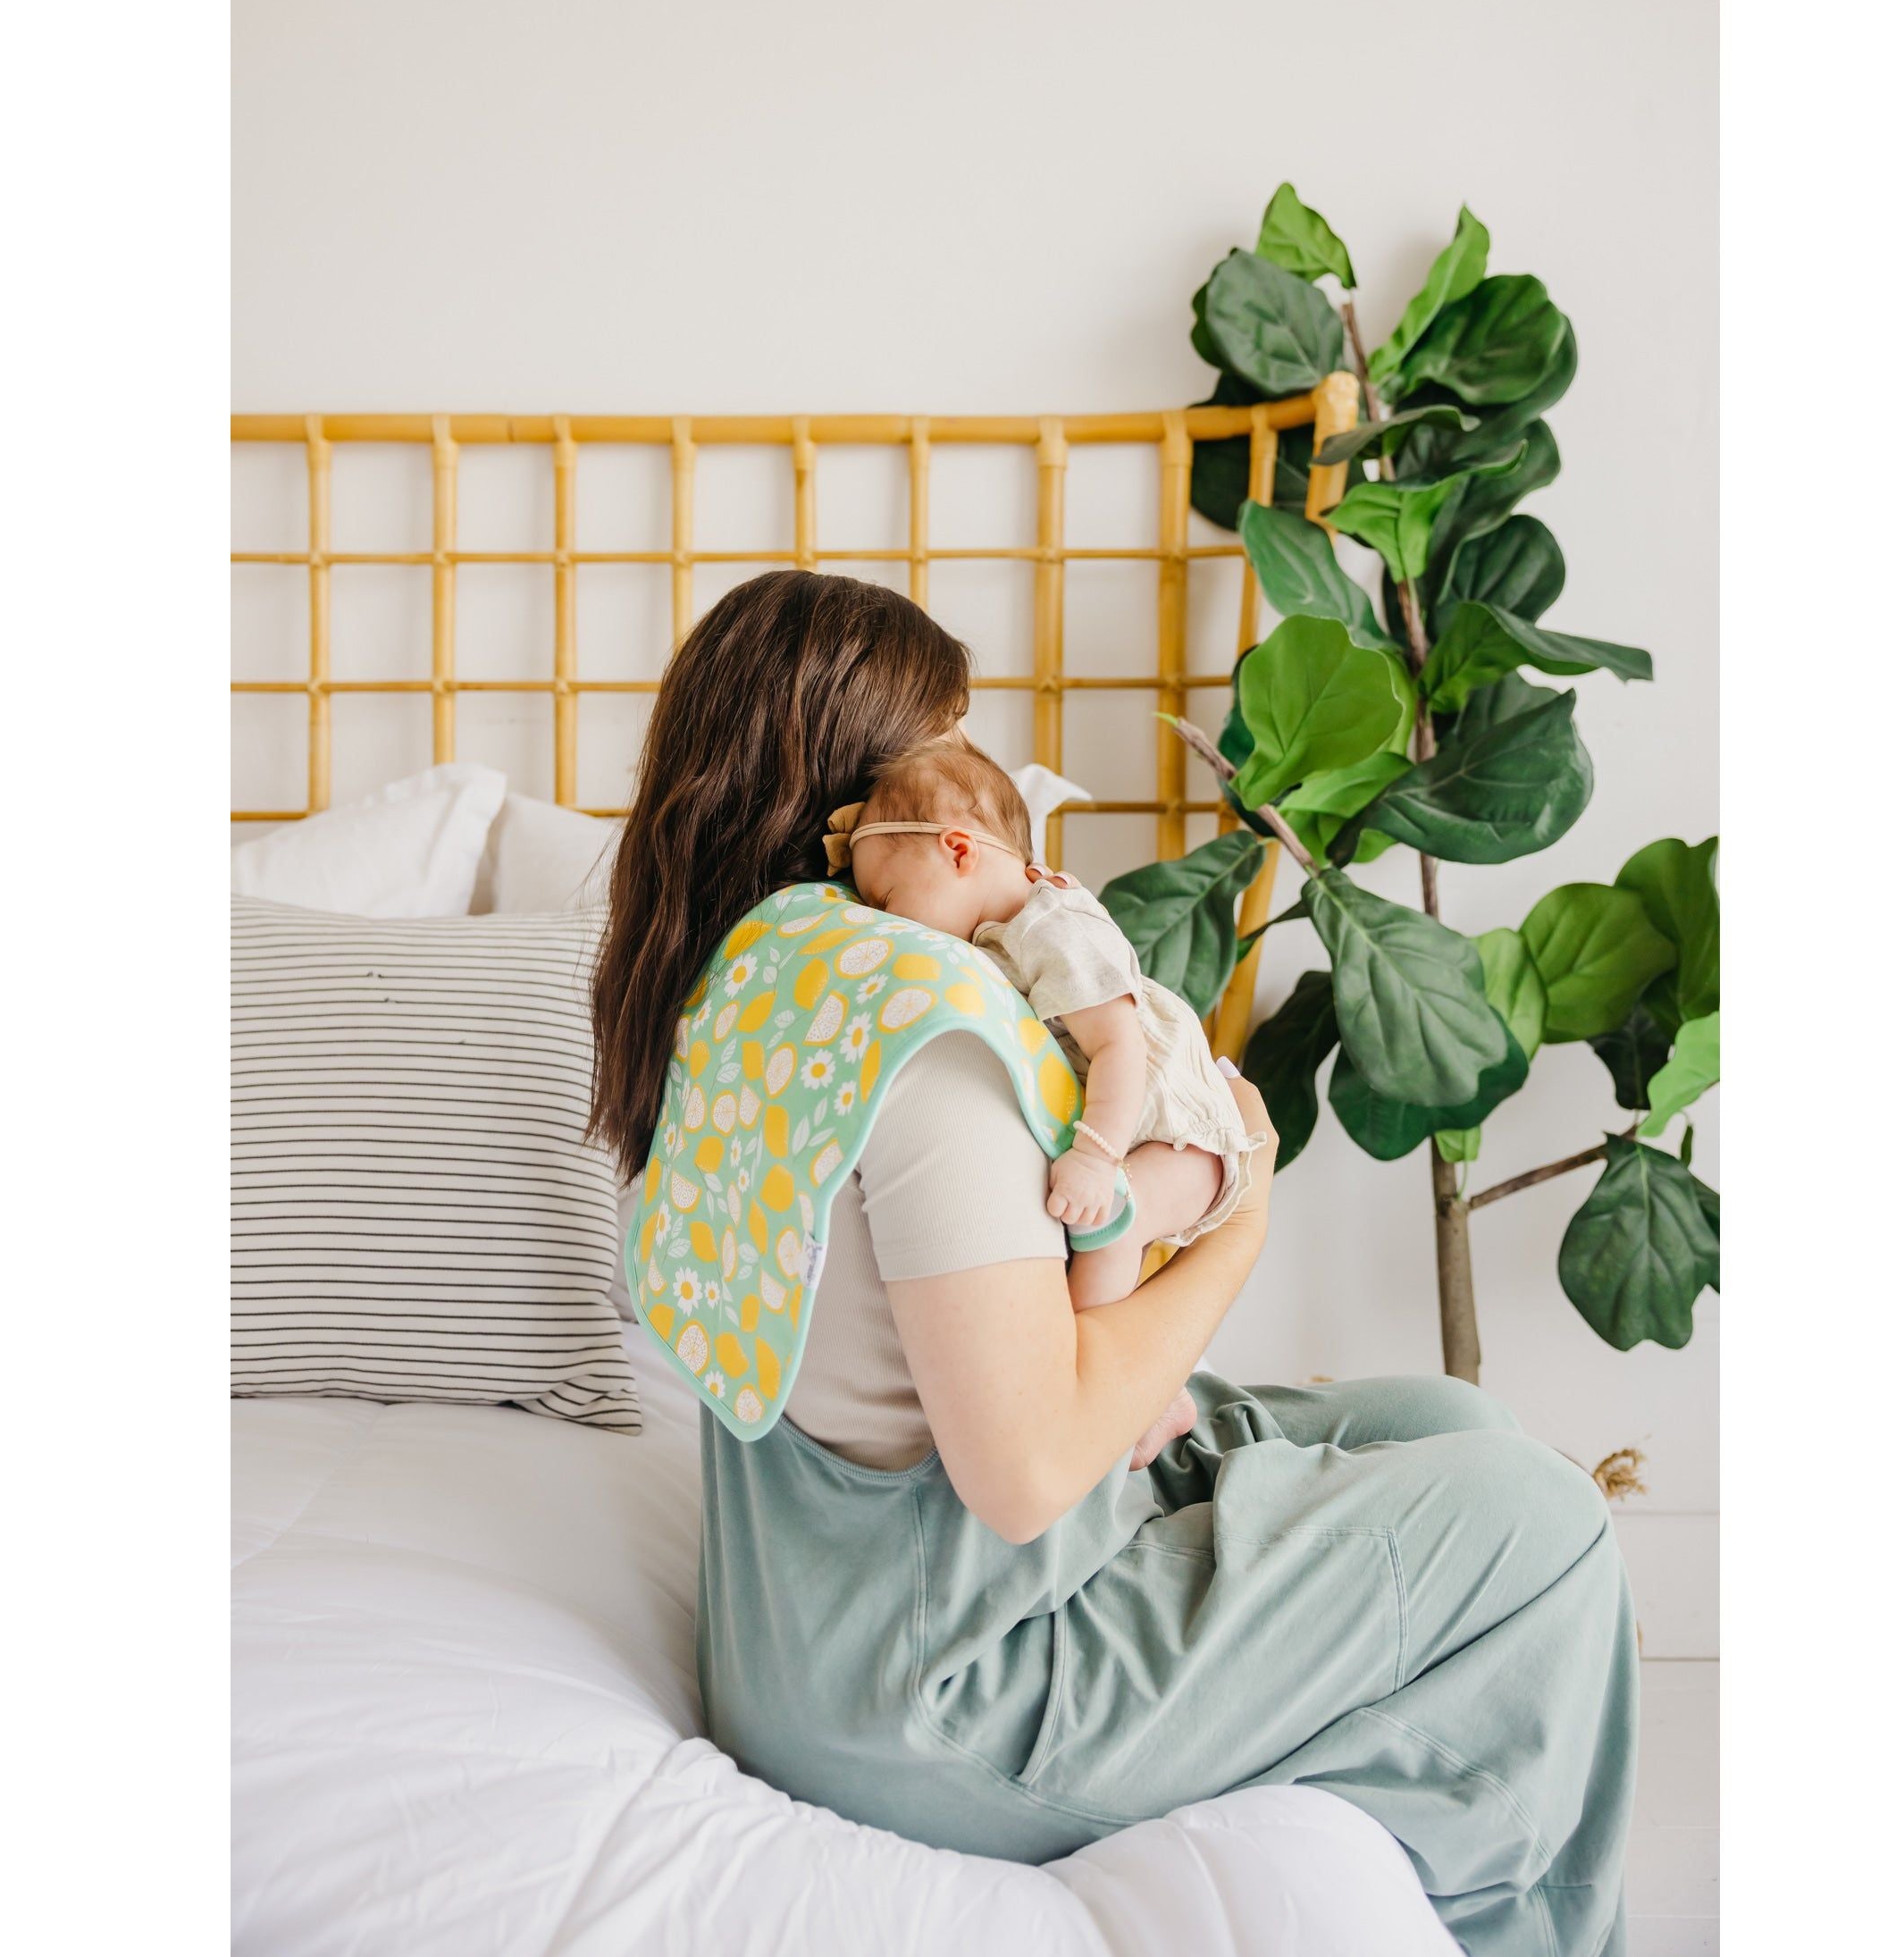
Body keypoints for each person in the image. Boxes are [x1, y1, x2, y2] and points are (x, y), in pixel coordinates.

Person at [588, 569, 1639, 1957]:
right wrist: (1242, 1216)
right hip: (943, 1688)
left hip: (806, 1632)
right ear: (874, 796)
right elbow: (1026, 1473)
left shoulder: (758, 980)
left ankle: (1393, 1793)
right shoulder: (925, 1042)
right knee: (1546, 1519)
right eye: (949, 747)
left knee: (1452, 1422)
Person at [828, 735, 1265, 1466]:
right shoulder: (997, 937)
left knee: (1112, 1227)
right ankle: (1161, 1393)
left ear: (959, 851)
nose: (888, 923)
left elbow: (1119, 1047)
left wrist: (1096, 1157)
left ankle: (1102, 1398)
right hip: (1147, 1130)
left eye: (888, 900)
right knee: (1092, 1245)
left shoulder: (1052, 924)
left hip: (1184, 1133)